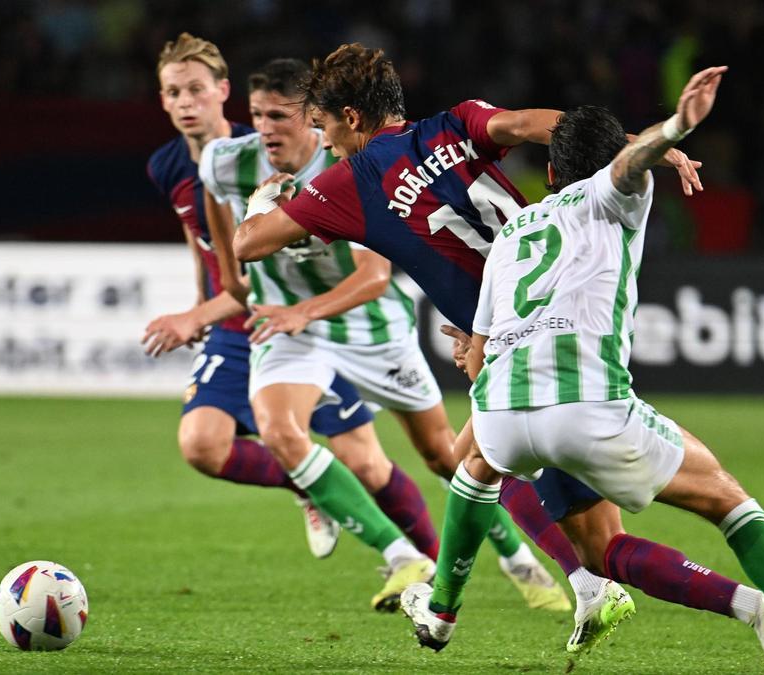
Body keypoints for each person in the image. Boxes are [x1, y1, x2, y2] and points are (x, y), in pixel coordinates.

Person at [398, 76, 764, 674]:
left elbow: (475, 358)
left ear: (550, 174)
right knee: (729, 501)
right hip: (586, 410)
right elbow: (630, 163)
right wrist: (677, 128)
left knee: (476, 468)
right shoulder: (613, 195)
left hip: (499, 413)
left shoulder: (512, 233)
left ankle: (443, 609)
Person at [231, 43, 705, 648]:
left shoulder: (349, 179)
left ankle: (749, 601)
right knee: (504, 472)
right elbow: (555, 126)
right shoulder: (460, 121)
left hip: (507, 338)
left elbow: (247, 245)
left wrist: (264, 199)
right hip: (564, 299)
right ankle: (587, 584)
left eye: (323, 127)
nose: (322, 143)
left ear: (351, 117)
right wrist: (651, 146)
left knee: (497, 470)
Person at [172, 57, 568, 612]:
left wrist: (267, 217)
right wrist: (637, 146)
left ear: (342, 119)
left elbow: (366, 273)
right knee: (286, 434)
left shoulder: (348, 176)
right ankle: (413, 565)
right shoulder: (225, 162)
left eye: (296, 119)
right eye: (258, 115)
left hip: (371, 322)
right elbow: (231, 264)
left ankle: (530, 563)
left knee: (451, 455)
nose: (270, 128)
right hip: (298, 326)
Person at [141, 33, 372, 561]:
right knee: (200, 446)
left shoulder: (262, 151)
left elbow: (257, 271)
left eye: (196, 89)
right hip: (229, 321)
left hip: (294, 319)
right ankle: (305, 485)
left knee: (364, 461)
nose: (185, 103)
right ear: (161, 100)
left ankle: (432, 562)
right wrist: (204, 307)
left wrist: (197, 312)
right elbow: (202, 245)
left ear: (223, 92)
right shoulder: (167, 166)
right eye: (174, 92)